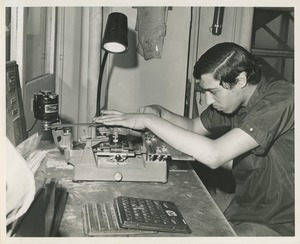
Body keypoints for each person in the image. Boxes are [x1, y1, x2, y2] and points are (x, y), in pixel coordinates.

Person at [93, 42, 294, 236]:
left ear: (240, 80)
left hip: (281, 223)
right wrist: (160, 113)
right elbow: (193, 127)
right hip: (246, 207)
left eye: (213, 92)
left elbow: (215, 154)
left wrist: (148, 120)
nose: (209, 101)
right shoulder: (235, 101)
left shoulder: (283, 98)